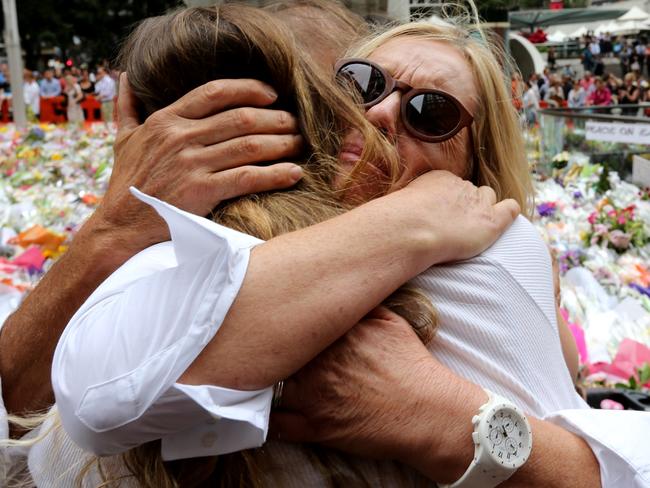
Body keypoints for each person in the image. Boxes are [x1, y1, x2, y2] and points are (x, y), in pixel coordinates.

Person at [43, 7, 627, 488]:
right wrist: (408, 223)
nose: (380, 113)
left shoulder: (501, 254)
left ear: (475, 166)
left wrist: (446, 419)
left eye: (432, 112)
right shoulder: (216, 228)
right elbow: (96, 395)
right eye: (361, 83)